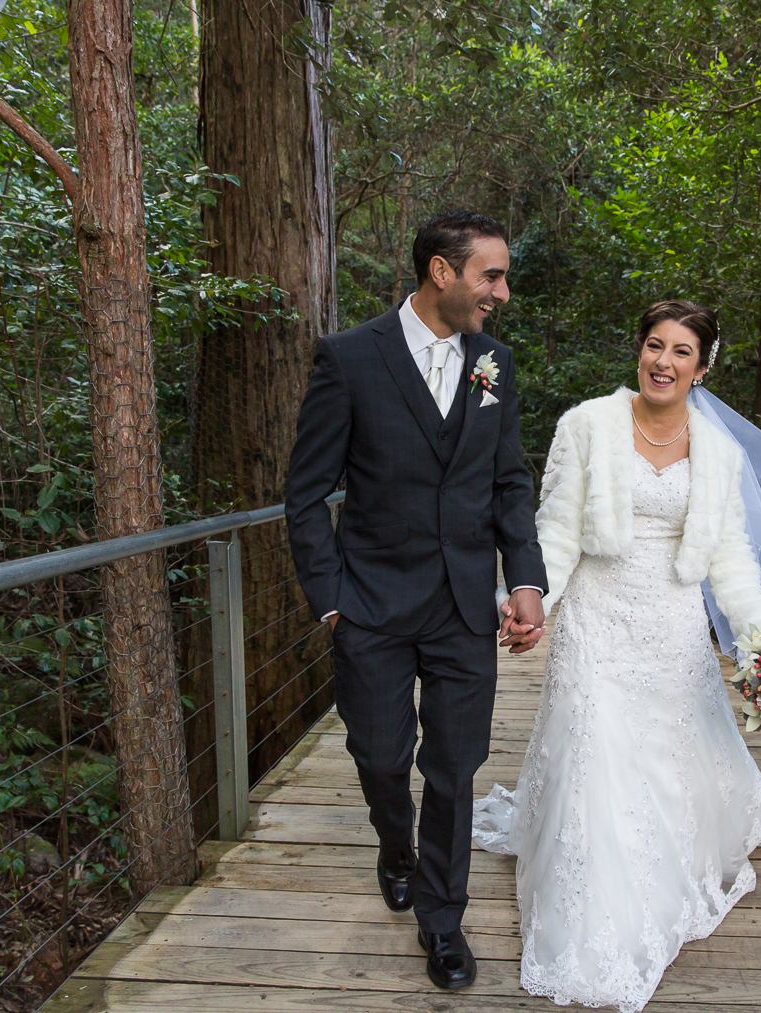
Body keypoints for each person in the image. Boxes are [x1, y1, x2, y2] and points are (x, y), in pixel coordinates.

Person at [473, 300, 761, 1012]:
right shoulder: (586, 426)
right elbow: (554, 534)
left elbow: (732, 561)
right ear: (639, 351)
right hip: (596, 622)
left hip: (675, 627)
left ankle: (661, 868)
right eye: (655, 345)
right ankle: (594, 909)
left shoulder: (719, 452)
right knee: (597, 762)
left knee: (660, 767)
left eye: (682, 351)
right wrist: (533, 602)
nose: (664, 361)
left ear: (702, 367)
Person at [285, 210, 549, 991]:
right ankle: (392, 844)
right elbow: (305, 495)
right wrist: (331, 600)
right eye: (490, 275)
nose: (500, 291)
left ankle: (443, 920)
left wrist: (524, 581)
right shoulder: (349, 359)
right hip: (368, 602)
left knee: (454, 768)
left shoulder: (493, 363)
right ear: (442, 270)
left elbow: (509, 483)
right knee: (378, 755)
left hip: (465, 606)